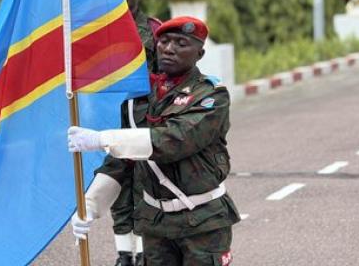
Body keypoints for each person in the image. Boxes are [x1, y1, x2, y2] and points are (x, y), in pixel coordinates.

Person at [68, 16, 241, 266]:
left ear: (199, 53)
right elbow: (122, 161)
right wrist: (89, 206)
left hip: (202, 222)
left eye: (181, 43)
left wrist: (103, 138)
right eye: (164, 41)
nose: (169, 49)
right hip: (155, 223)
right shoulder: (138, 99)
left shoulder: (211, 96)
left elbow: (174, 139)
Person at [94, 0, 160, 266]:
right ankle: (124, 253)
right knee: (118, 182)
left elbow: (163, 73)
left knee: (145, 183)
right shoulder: (100, 29)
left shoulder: (154, 29)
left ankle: (145, 250)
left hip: (145, 116)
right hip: (113, 115)